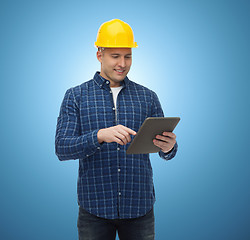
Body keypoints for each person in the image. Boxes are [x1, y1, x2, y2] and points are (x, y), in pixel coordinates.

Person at [55, 19, 178, 240]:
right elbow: (62, 148)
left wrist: (169, 147)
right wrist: (99, 136)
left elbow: (165, 150)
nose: (122, 63)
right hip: (94, 210)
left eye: (128, 56)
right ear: (99, 55)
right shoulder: (76, 96)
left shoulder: (147, 97)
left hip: (139, 208)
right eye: (115, 56)